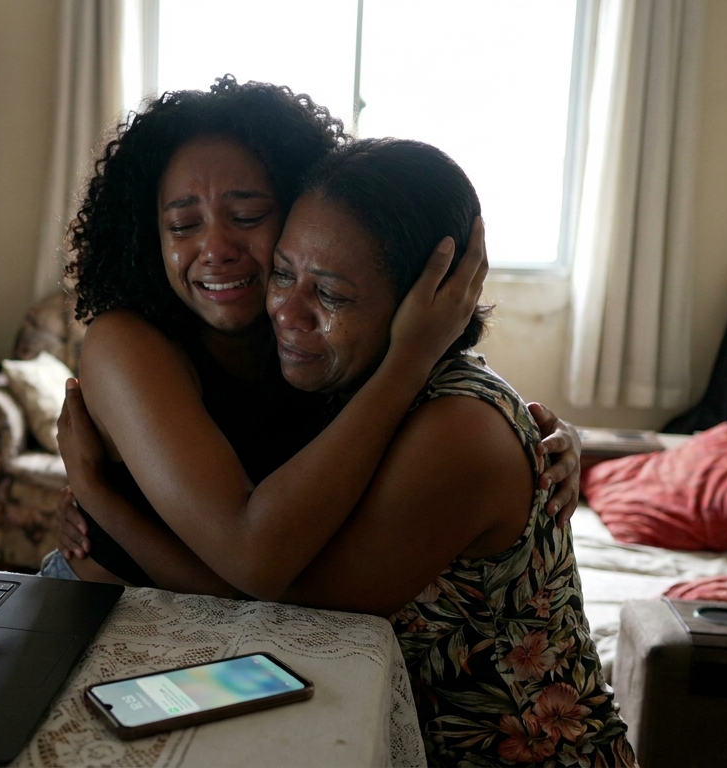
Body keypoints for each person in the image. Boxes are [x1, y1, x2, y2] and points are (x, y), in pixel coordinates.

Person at [58, 138, 634, 766]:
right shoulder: (348, 390)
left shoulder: (458, 431)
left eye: (330, 294)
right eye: (284, 273)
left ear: (431, 301)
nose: (286, 312)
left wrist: (100, 498)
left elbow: (279, 610)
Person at [42, 76, 582, 593]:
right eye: (183, 226)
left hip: (241, 642)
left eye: (248, 214)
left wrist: (541, 440)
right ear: (148, 234)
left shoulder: (312, 345)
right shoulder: (129, 344)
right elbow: (255, 566)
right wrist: (95, 495)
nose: (216, 248)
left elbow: (439, 426)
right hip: (105, 616)